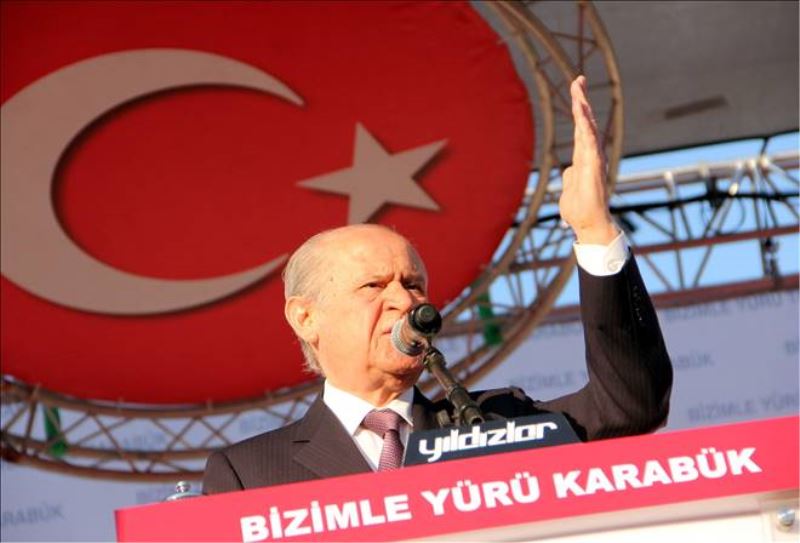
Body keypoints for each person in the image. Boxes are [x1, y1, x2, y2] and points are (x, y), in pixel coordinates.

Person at [202, 76, 673, 493]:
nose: (404, 301)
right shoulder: (249, 473)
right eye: (373, 286)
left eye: (413, 284)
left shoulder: (495, 426)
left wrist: (594, 231)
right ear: (305, 317)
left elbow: (631, 406)